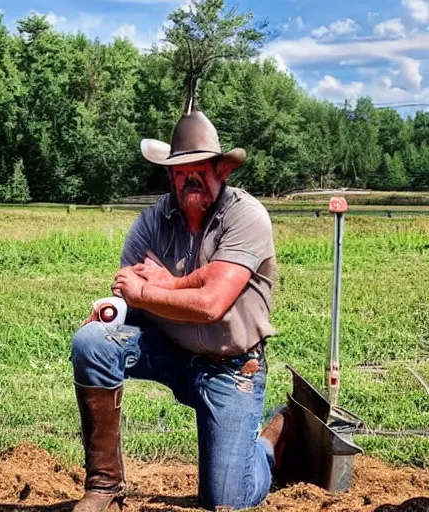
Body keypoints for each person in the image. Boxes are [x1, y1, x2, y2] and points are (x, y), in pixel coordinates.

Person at [71, 111, 292, 512]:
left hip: (231, 366)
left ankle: (271, 443)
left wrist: (155, 286)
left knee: (226, 498)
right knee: (92, 342)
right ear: (169, 175)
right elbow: (129, 293)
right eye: (180, 171)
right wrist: (114, 309)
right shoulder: (152, 221)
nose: (191, 178)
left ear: (220, 171)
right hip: (171, 351)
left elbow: (211, 304)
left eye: (200, 169)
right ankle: (104, 486)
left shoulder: (246, 216)